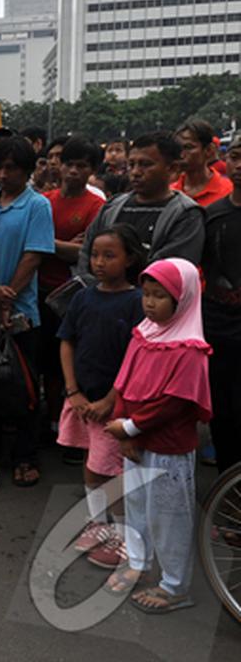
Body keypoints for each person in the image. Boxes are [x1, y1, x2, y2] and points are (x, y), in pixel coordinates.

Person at [104, 258, 211, 614]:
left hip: (167, 448)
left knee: (168, 515)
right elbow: (123, 381)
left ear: (183, 299)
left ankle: (175, 585)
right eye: (146, 294)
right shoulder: (144, 332)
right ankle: (139, 562)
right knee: (136, 505)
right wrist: (123, 427)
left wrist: (131, 427)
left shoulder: (190, 350)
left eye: (160, 296)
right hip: (134, 441)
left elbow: (175, 403)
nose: (149, 303)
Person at [57, 224, 146, 571]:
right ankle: (99, 524)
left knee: (111, 471)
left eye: (109, 255)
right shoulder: (83, 296)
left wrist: (111, 399)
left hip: (113, 405)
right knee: (92, 465)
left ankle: (123, 536)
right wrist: (72, 391)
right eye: (94, 254)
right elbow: (67, 341)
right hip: (83, 400)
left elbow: (135, 359)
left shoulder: (137, 301)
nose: (99, 262)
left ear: (130, 259)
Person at [0, 136, 55, 488]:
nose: (1, 174)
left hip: (21, 314)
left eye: (10, 168)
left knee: (23, 387)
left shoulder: (37, 206)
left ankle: (25, 455)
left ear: (27, 171)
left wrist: (7, 297)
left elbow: (34, 255)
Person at [38, 137, 106, 453]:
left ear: (92, 171)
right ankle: (52, 422)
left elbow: (88, 254)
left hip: (75, 298)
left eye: (82, 166)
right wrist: (66, 246)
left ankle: (74, 430)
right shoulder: (44, 200)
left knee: (73, 365)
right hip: (39, 291)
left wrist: (45, 242)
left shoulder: (96, 206)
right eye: (69, 164)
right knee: (45, 364)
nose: (74, 171)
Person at [75, 132, 206, 276]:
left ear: (172, 168)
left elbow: (171, 269)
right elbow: (87, 252)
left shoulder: (186, 215)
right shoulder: (112, 207)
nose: (136, 172)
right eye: (132, 164)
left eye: (146, 165)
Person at [202, 136, 241, 470]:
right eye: (236, 157)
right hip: (217, 327)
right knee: (222, 412)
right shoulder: (211, 215)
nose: (240, 166)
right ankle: (227, 496)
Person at [173, 119, 233, 207]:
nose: (182, 155)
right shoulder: (170, 192)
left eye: (189, 147)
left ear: (209, 150)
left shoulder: (229, 191)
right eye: (178, 148)